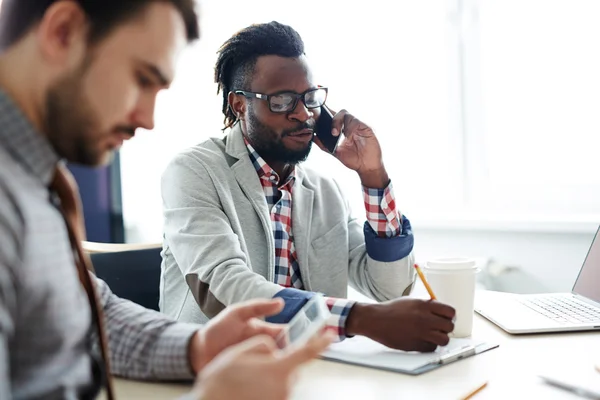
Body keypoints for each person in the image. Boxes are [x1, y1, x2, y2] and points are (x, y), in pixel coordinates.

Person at [0, 2, 332, 399]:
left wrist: (196, 348)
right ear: (63, 32)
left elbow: (91, 314)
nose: (148, 119)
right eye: (141, 78)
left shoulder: (32, 177)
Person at [160, 21, 456, 352]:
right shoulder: (193, 172)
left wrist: (373, 175)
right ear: (240, 104)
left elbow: (391, 289)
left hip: (313, 367)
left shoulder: (324, 190)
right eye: (282, 101)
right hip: (222, 368)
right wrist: (362, 319)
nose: (303, 114)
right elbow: (224, 287)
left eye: (309, 97)